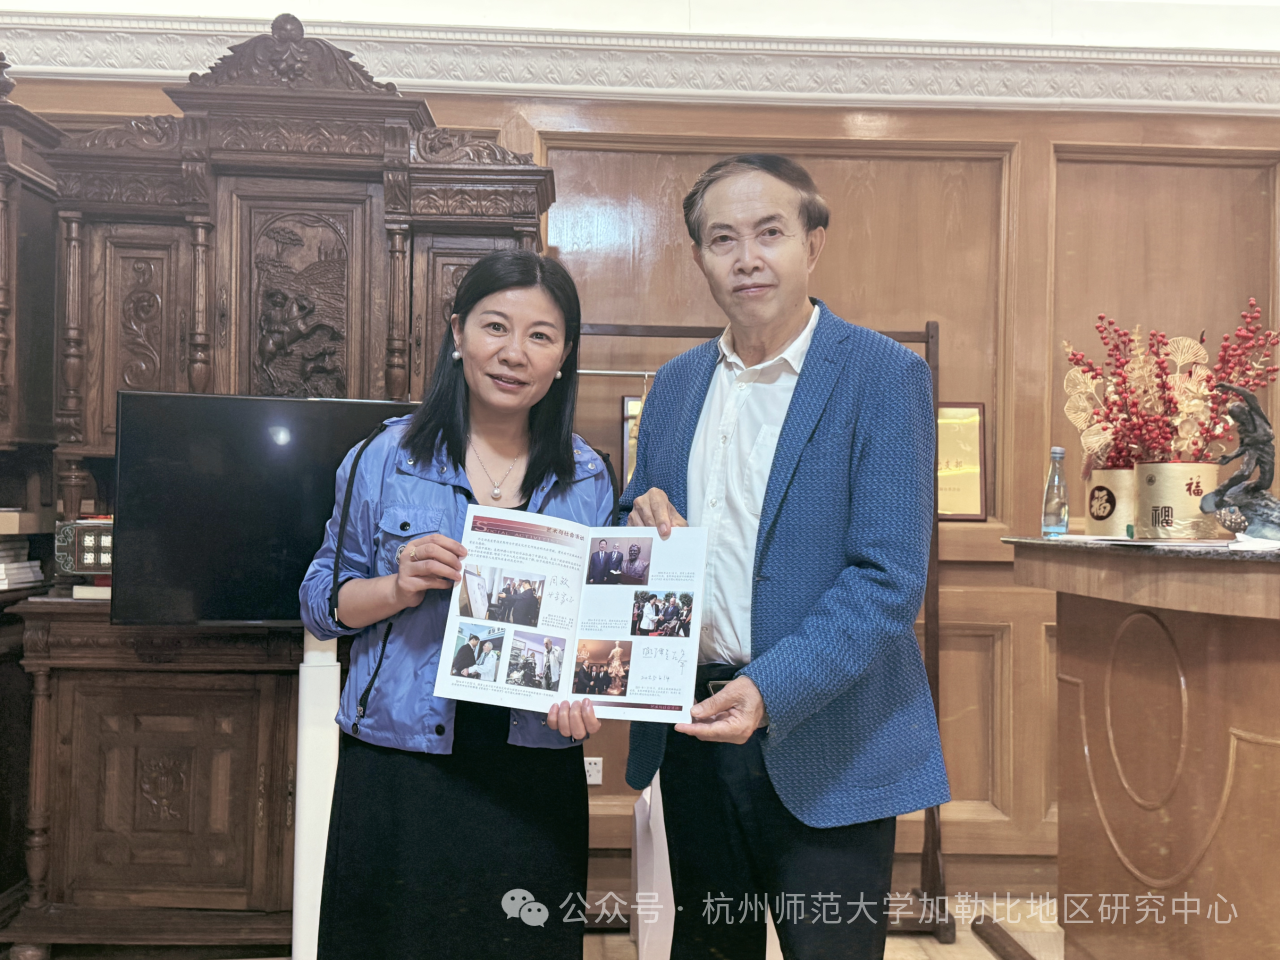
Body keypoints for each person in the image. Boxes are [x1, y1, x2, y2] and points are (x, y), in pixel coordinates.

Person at [622, 154, 949, 960]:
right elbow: (638, 527)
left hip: (831, 738)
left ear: (814, 244)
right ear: (699, 257)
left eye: (769, 233)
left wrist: (771, 689)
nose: (747, 258)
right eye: (722, 239)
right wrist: (635, 517)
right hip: (694, 731)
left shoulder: (884, 376)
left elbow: (888, 578)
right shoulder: (675, 386)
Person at [300, 249, 613, 960]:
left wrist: (586, 693)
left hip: (533, 768)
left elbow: (595, 631)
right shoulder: (383, 459)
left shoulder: (588, 478)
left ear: (563, 356)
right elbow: (320, 603)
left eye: (540, 335)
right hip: (400, 764)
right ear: (457, 333)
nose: (514, 353)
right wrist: (398, 586)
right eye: (495, 326)